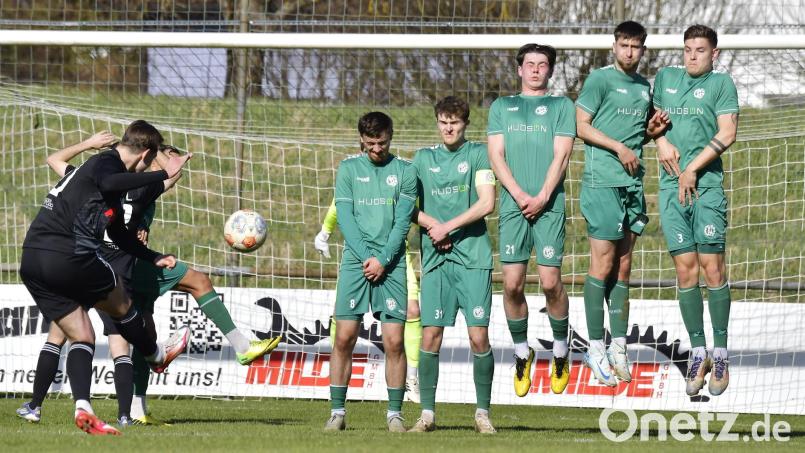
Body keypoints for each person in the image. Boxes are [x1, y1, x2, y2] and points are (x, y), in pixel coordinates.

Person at [17, 132, 282, 427]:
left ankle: (57, 406)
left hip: (53, 258)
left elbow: (57, 160)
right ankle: (150, 373)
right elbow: (156, 180)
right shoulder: (126, 184)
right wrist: (167, 167)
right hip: (100, 264)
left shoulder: (84, 176)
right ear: (147, 155)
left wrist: (89, 145)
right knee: (130, 324)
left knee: (76, 335)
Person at [18, 120, 191, 435]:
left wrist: (153, 256)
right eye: (151, 162)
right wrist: (165, 172)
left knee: (82, 334)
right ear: (145, 155)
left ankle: (83, 406)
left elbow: (121, 235)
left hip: (33, 259)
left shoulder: (102, 181)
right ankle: (156, 354)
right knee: (122, 302)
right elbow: (112, 182)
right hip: (68, 255)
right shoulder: (105, 162)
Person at [575, 21, 669, 386]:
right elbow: (581, 125)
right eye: (624, 45)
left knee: (625, 266)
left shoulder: (645, 87)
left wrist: (653, 131)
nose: (629, 52)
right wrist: (618, 147)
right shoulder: (599, 80)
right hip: (603, 182)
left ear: (643, 49)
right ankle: (594, 346)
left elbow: (639, 135)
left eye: (636, 47)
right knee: (603, 262)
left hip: (631, 183)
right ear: (614, 45)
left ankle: (618, 343)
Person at [652, 24, 739, 396]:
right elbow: (652, 123)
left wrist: (692, 168)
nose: (691, 55)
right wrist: (660, 141)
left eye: (700, 50)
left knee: (712, 267)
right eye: (687, 49)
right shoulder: (665, 79)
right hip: (671, 189)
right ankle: (698, 350)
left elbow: (728, 131)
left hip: (705, 188)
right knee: (685, 272)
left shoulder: (721, 85)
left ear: (714, 54)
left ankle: (720, 352)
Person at [487, 44, 576, 396]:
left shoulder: (561, 106)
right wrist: (521, 195)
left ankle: (560, 349)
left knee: (552, 283)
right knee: (512, 285)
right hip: (513, 206)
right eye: (530, 64)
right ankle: (522, 352)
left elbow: (562, 155)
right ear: (519, 69)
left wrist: (541, 196)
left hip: (549, 205)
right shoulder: (501, 107)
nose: (536, 70)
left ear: (550, 71)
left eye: (543, 65)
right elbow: (496, 155)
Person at [406, 96, 497, 434]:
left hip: (473, 259)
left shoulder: (477, 154)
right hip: (436, 260)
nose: (448, 128)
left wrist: (449, 226)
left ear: (465, 125)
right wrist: (434, 225)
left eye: (455, 123)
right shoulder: (422, 159)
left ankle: (482, 413)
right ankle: (427, 415)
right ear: (437, 122)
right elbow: (406, 206)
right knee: (430, 336)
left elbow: (487, 202)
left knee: (478, 337)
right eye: (443, 122)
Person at [325, 112, 416, 432]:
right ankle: (337, 412)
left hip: (391, 265)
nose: (377, 149)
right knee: (344, 338)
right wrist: (367, 258)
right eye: (371, 143)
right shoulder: (349, 169)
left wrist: (383, 259)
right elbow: (345, 218)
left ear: (391, 138)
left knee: (394, 342)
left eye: (383, 142)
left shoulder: (406, 170)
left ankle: (394, 414)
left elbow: (403, 221)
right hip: (356, 263)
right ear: (361, 141)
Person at [314, 201, 423, 403]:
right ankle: (336, 385)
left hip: (396, 254)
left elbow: (416, 208)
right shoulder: (354, 171)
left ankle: (412, 378)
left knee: (413, 310)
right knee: (343, 317)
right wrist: (325, 232)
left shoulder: (404, 173)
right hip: (357, 255)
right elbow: (339, 202)